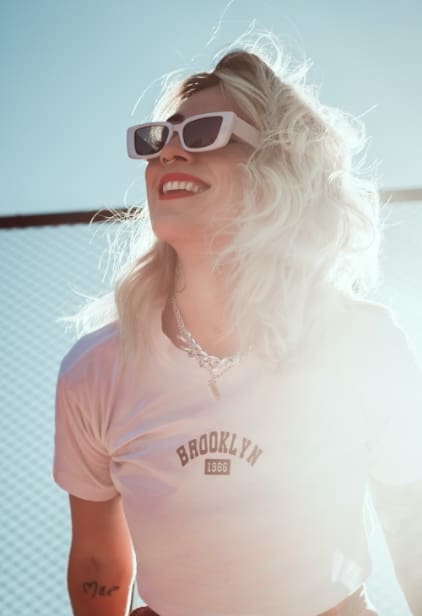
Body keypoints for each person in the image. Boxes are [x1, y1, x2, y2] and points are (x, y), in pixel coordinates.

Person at [53, 35, 422, 616]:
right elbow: (99, 561)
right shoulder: (96, 370)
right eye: (158, 139)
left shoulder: (364, 343)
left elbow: (412, 529)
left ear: (278, 167)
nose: (169, 153)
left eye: (204, 134)